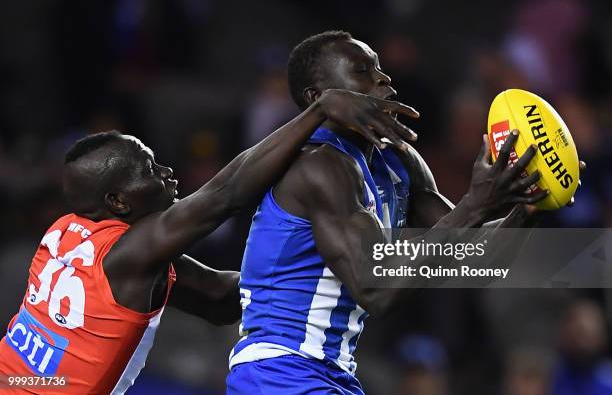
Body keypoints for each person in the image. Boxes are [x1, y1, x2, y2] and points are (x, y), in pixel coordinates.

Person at [227, 31, 581, 394]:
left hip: (329, 373)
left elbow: (479, 260)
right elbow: (377, 288)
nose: (383, 78)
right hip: (278, 369)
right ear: (318, 98)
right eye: (362, 70)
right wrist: (475, 204)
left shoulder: (397, 161)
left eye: (379, 68)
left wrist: (526, 208)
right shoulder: (317, 168)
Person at [0, 89, 418, 394]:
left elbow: (219, 299)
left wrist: (305, 275)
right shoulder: (129, 254)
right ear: (117, 201)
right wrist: (318, 111)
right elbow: (226, 193)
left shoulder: (67, 232)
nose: (166, 171)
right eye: (148, 169)